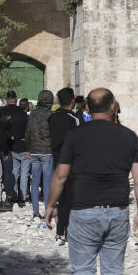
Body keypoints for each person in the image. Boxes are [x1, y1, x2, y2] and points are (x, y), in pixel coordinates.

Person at [45, 88, 138, 275]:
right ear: (113, 105)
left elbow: (60, 175)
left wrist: (51, 204)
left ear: (87, 109)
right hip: (118, 211)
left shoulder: (75, 136)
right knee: (113, 274)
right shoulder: (129, 137)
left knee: (82, 270)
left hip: (83, 211)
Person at [49, 87, 80, 244]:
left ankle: (60, 233)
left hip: (56, 161)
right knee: (72, 198)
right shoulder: (74, 118)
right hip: (71, 163)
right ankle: (70, 232)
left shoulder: (52, 118)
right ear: (73, 100)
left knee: (61, 198)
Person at [26, 89, 55, 221]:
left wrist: (29, 149)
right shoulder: (51, 115)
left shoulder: (32, 114)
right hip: (47, 151)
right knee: (47, 182)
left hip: (34, 151)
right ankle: (48, 211)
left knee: (35, 181)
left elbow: (28, 133)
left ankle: (36, 211)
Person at [0, 90, 29, 207]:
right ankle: (22, 197)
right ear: (16, 99)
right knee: (24, 173)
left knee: (12, 172)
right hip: (23, 146)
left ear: (7, 100)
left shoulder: (1, 112)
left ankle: (12, 195)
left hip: (8, 147)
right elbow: (27, 130)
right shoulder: (22, 113)